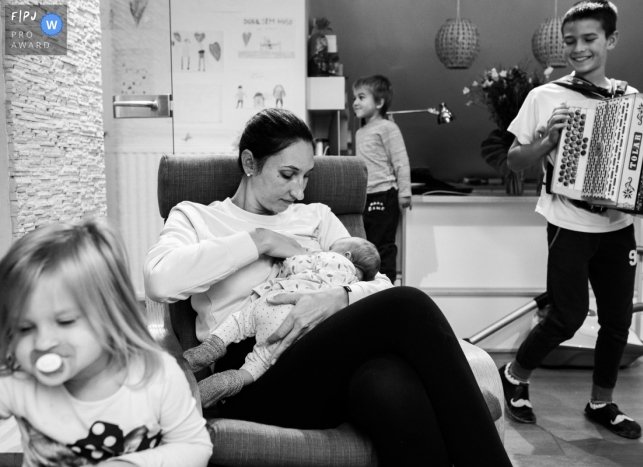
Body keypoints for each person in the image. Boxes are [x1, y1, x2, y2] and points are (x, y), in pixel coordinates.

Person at [144, 108, 512, 467]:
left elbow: (378, 285)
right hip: (253, 376)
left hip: (327, 365)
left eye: (306, 176)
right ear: (250, 163)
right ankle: (471, 424)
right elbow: (159, 280)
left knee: (386, 383)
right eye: (288, 175)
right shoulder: (197, 216)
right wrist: (259, 241)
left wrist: (337, 298)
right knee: (410, 304)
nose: (299, 192)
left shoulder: (317, 216)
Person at [503, 0, 641, 439]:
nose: (578, 49)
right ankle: (516, 375)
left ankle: (601, 402)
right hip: (568, 223)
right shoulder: (544, 97)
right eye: (570, 42)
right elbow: (512, 160)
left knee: (618, 320)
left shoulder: (631, 98)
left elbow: (639, 168)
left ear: (611, 40)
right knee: (567, 316)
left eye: (589, 39)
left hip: (618, 227)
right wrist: (547, 141)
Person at [0, 220, 212, 467]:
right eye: (25, 328)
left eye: (65, 321)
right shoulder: (17, 381)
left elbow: (195, 448)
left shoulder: (157, 376)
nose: (43, 342)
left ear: (111, 316)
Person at [182, 237, 380, 406]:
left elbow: (295, 264)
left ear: (347, 256)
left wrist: (290, 261)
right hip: (295, 326)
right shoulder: (356, 287)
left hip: (273, 301)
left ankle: (209, 349)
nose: (327, 251)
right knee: (259, 363)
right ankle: (225, 383)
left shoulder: (331, 259)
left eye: (331, 248)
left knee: (240, 321)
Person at [352, 75, 412, 284]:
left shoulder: (388, 128)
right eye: (354, 98)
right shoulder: (360, 131)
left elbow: (400, 160)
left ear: (379, 103)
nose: (355, 102)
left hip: (384, 194)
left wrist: (405, 192)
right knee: (366, 245)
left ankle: (386, 287)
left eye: (361, 97)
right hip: (366, 196)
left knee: (383, 244)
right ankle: (370, 286)